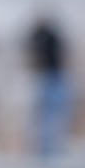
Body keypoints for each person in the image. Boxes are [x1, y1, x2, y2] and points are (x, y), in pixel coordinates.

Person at [27, 18, 72, 159]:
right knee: (50, 117)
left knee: (48, 116)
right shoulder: (48, 38)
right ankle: (47, 152)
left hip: (51, 78)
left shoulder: (44, 39)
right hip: (51, 78)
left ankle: (47, 151)